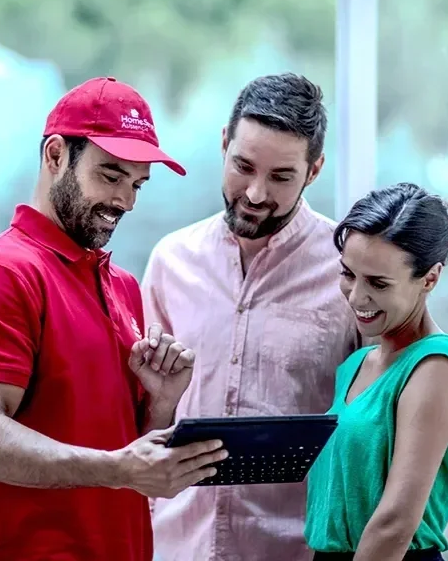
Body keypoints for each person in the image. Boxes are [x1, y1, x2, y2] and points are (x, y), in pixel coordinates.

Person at [0, 77, 228, 561]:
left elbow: (128, 457)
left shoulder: (121, 286)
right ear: (55, 156)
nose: (126, 201)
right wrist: (117, 468)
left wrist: (161, 403)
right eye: (111, 176)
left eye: (137, 184)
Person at [142, 73, 360, 561]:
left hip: (297, 552)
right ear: (224, 143)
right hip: (175, 546)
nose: (256, 194)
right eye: (243, 166)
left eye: (281, 176)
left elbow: (372, 423)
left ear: (314, 170)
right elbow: (139, 416)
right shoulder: (169, 262)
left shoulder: (348, 272)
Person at [304, 183, 448, 561]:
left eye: (378, 283)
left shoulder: (434, 367)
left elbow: (395, 523)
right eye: (348, 274)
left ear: (430, 278)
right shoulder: (356, 365)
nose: (356, 297)